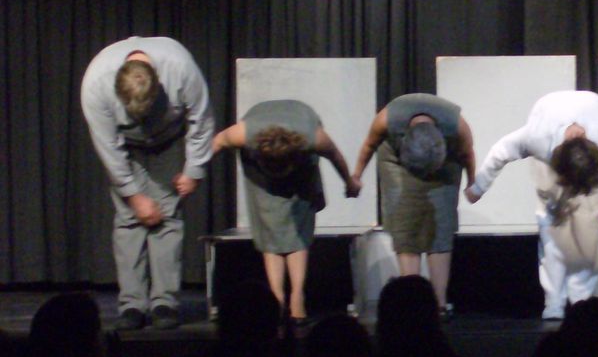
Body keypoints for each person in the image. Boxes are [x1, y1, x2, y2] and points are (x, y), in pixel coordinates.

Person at [465, 91, 598, 320]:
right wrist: (478, 188)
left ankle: (581, 303)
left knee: (586, 234)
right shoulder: (536, 138)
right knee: (552, 234)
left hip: (587, 126)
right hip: (550, 137)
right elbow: (500, 152)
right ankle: (554, 303)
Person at [81, 36, 214, 330]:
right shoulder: (96, 84)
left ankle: (164, 302)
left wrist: (194, 170)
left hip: (168, 139)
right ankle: (132, 305)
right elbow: (108, 148)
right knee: (130, 220)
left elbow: (201, 122)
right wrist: (133, 195)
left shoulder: (181, 70)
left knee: (166, 217)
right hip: (126, 145)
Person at [212, 99, 359, 325]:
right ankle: (277, 297)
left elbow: (336, 156)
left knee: (297, 224)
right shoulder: (244, 135)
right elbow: (218, 141)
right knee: (269, 223)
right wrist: (193, 173)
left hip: (300, 165)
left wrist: (349, 182)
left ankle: (297, 295)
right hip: (259, 172)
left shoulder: (313, 138)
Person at [350, 93, 475, 313]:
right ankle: (412, 302)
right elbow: (369, 145)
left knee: (440, 224)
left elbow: (467, 153)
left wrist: (473, 183)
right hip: (397, 163)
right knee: (405, 222)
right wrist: (357, 176)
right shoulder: (385, 120)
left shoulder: (457, 126)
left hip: (444, 163)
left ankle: (439, 304)